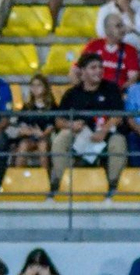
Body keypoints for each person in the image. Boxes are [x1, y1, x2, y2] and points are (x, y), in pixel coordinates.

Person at [51, 52, 127, 186]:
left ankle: (113, 185)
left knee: (119, 142)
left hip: (106, 133)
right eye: (93, 67)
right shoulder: (72, 93)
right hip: (80, 134)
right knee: (60, 140)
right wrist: (71, 125)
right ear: (82, 71)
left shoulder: (111, 88)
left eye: (100, 67)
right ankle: (64, 183)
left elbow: (118, 115)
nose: (98, 71)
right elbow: (58, 120)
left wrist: (103, 131)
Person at [6, 74, 58, 171]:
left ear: (45, 88)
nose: (35, 88)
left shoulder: (52, 106)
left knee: (43, 146)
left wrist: (42, 134)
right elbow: (21, 123)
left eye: (39, 85)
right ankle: (18, 177)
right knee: (23, 145)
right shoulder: (27, 106)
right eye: (33, 85)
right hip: (30, 137)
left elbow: (52, 125)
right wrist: (28, 131)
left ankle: (45, 179)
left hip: (45, 137)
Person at [80, 12, 140, 89]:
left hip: (118, 94)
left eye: (122, 25)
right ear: (107, 30)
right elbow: (76, 70)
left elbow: (133, 79)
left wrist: (116, 93)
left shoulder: (130, 50)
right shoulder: (93, 46)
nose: (123, 29)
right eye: (118, 26)